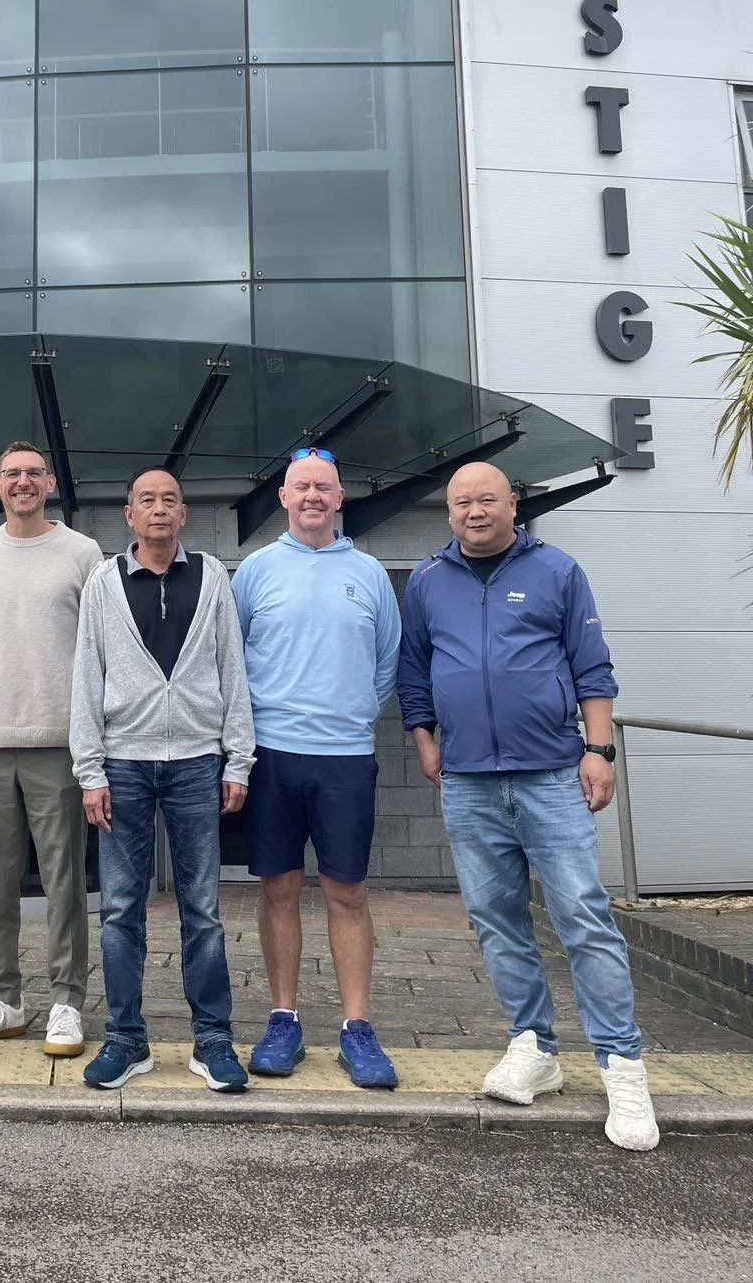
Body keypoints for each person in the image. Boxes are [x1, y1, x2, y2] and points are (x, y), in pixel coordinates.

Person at [397, 461, 658, 1152]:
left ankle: (622, 1065)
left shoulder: (558, 571)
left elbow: (592, 667)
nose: (474, 511)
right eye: (461, 502)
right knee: (496, 919)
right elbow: (414, 669)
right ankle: (535, 1046)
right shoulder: (427, 580)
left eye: (487, 499)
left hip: (551, 774)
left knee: (583, 917)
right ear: (448, 512)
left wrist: (598, 749)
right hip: (468, 781)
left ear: (513, 503)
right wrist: (425, 740)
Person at [70, 467, 255, 1094]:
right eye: (146, 500)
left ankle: (213, 1038)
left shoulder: (212, 576)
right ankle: (126, 1039)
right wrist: (90, 770)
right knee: (121, 909)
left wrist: (238, 758)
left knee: (203, 909)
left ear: (183, 514)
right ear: (129, 515)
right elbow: (86, 673)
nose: (158, 509)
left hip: (198, 761)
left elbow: (232, 666)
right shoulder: (104, 581)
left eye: (169, 500)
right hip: (122, 763)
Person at [231, 448, 402, 1089]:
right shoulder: (254, 571)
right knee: (278, 889)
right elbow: (231, 658)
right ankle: (284, 1021)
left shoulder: (370, 574)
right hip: (272, 753)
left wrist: (348, 714)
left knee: (347, 892)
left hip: (346, 756)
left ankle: (357, 1028)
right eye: (301, 486)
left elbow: (387, 663)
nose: (312, 496)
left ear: (339, 498)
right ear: (283, 497)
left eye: (323, 487)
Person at [0, 442, 104, 1058]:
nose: (23, 482)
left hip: (59, 742)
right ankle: (4, 999)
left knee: (65, 884)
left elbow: (95, 645)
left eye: (34, 473)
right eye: (11, 474)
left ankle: (67, 1001)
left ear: (50, 484)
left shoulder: (83, 553)